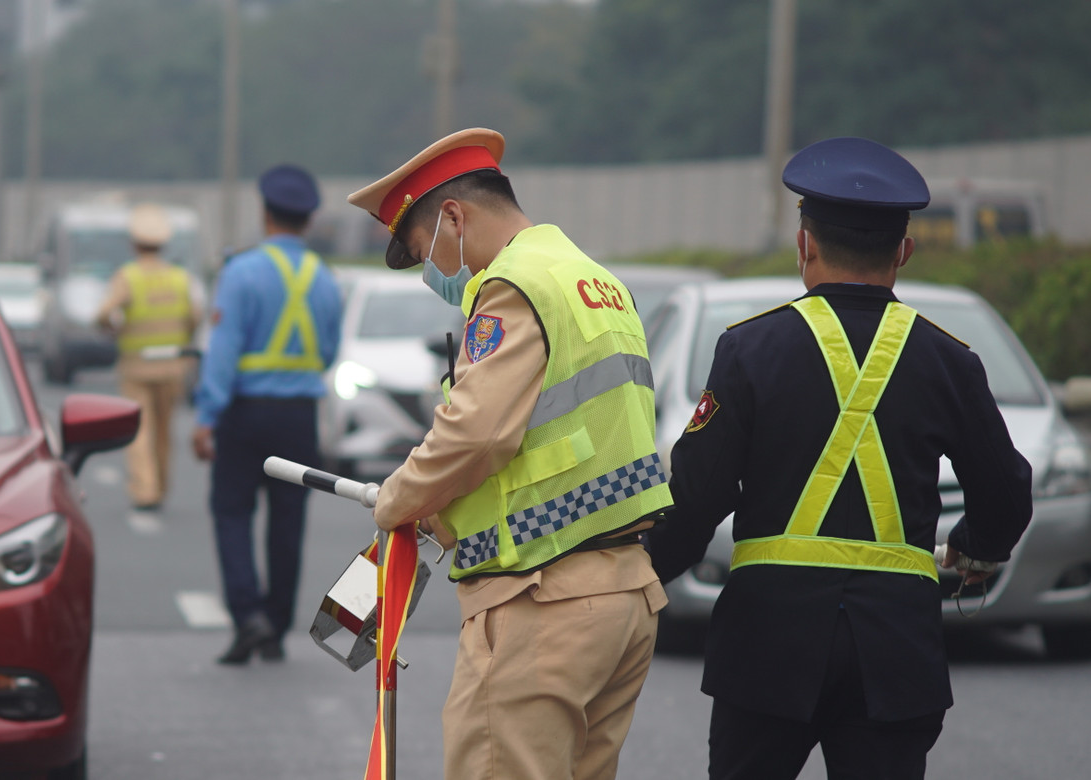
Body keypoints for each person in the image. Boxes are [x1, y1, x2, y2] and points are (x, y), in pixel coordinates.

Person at [647, 137, 1034, 779]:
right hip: (896, 651)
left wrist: (642, 574)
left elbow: (699, 493)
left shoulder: (748, 349)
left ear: (805, 245)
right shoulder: (950, 360)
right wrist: (971, 551)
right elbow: (1005, 492)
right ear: (904, 252)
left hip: (766, 644)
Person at [348, 128, 672, 780]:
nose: (434, 275)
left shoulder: (512, 286)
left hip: (545, 604)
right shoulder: (593, 279)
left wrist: (396, 500)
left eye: (423, 253)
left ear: (453, 217)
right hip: (625, 596)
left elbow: (477, 434)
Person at [191, 164, 343, 665]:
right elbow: (326, 353)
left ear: (265, 212)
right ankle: (276, 628)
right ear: (309, 219)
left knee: (232, 513)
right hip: (298, 413)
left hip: (245, 412)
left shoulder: (241, 272)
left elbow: (222, 352)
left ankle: (248, 616)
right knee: (288, 521)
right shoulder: (324, 277)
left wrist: (206, 416)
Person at [94, 203, 205, 519]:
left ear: (133, 243)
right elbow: (195, 317)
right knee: (164, 431)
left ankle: (145, 490)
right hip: (173, 365)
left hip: (136, 365)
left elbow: (103, 314)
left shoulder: (127, 277)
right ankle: (161, 486)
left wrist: (113, 328)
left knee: (139, 430)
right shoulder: (180, 278)